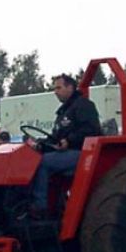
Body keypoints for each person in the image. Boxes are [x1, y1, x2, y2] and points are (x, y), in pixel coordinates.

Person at [30, 74, 102, 217]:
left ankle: (40, 207)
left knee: (42, 163)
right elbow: (56, 136)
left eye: (59, 88)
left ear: (70, 87)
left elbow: (91, 130)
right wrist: (40, 144)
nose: (55, 92)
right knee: (32, 158)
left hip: (83, 153)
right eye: (54, 88)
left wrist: (69, 140)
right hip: (67, 152)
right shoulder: (64, 111)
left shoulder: (83, 105)